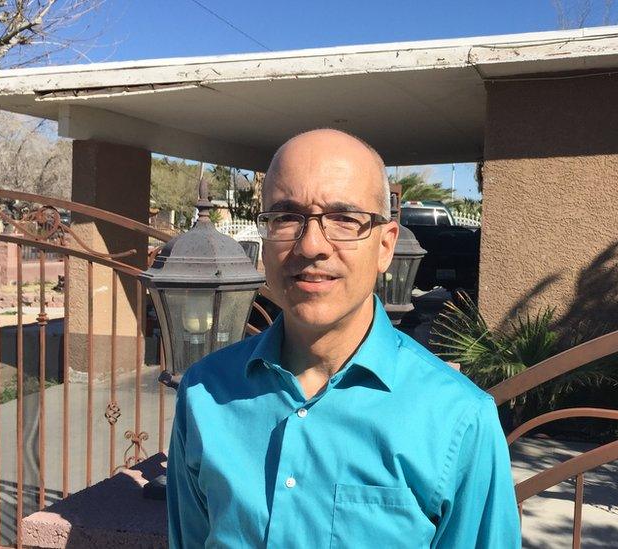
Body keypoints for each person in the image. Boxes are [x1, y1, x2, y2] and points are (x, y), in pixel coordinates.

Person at [167, 128, 521, 548]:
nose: (312, 244)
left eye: (344, 219)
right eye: (285, 217)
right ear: (263, 239)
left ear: (386, 246)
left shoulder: (458, 420)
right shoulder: (205, 394)